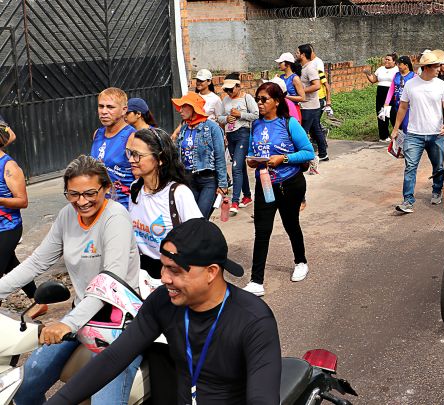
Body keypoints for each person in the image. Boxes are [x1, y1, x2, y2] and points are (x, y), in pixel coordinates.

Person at [48, 218, 282, 405]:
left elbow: (262, 398)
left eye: (175, 270)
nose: (164, 278)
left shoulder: (254, 320)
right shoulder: (164, 301)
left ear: (211, 272)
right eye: (163, 266)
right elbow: (113, 357)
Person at [0, 155, 141, 405]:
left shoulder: (115, 217)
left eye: (89, 193)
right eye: (73, 194)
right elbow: (36, 262)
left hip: (120, 324)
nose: (82, 201)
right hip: (81, 316)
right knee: (26, 383)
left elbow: (111, 283)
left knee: (105, 400)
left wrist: (69, 324)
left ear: (106, 188)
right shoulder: (67, 215)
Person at [243, 81, 315, 295]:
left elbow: (308, 152)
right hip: (264, 183)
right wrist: (252, 161)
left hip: (289, 184)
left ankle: (301, 261)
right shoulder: (255, 125)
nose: (260, 103)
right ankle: (257, 281)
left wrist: (283, 158)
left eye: (264, 99)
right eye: (257, 99)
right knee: (262, 231)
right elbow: (250, 151)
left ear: (276, 101)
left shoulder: (288, 123)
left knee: (290, 224)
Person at [128, 127, 203, 278]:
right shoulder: (135, 189)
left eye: (137, 155)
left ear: (160, 158)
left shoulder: (179, 194)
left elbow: (198, 238)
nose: (131, 160)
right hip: (140, 270)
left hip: (171, 272)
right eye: (130, 153)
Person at [391, 51, 444, 214]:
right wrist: (396, 128)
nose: (439, 69)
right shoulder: (411, 84)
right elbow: (403, 107)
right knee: (410, 167)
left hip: (436, 134)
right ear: (426, 68)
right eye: (436, 66)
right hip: (414, 134)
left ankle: (436, 190)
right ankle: (408, 201)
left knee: (438, 166)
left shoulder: (441, 85)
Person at [0, 126, 46, 319]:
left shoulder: (9, 167)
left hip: (7, 228)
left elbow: (22, 201)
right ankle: (39, 300)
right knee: (13, 266)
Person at [174, 92, 228, 219]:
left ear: (194, 108)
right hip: (188, 179)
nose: (180, 110)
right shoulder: (184, 129)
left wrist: (222, 184)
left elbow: (220, 156)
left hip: (208, 180)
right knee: (189, 218)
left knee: (200, 218)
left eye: (184, 106)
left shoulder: (212, 128)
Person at [218, 73, 257, 215]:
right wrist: (226, 118)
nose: (229, 92)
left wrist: (241, 115)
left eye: (231, 89)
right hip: (231, 135)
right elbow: (220, 118)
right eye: (226, 90)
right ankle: (247, 196)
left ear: (238, 86)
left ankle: (235, 201)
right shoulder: (225, 100)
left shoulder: (247, 98)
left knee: (235, 168)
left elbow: (256, 114)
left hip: (243, 134)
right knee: (240, 167)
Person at [91, 87, 136, 209]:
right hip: (98, 206)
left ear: (124, 110)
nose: (104, 111)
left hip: (124, 208)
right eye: (101, 106)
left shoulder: (132, 137)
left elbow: (142, 180)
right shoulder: (97, 134)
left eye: (110, 107)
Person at [296, 44, 329, 161]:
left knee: (302, 132)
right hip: (309, 104)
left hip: (309, 105)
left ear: (303, 55)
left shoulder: (310, 68)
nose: (296, 54)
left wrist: (301, 91)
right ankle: (323, 153)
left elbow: (317, 85)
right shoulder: (303, 67)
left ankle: (304, 156)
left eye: (297, 52)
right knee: (315, 129)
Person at [171, 69, 224, 140]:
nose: (198, 83)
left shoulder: (215, 99)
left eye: (201, 81)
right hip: (194, 134)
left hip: (209, 135)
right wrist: (175, 133)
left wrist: (222, 136)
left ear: (209, 82)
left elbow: (220, 119)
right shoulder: (193, 97)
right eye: (197, 80)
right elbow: (187, 119)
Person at [364, 53, 399, 142]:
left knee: (392, 114)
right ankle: (383, 136)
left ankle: (397, 135)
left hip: (391, 94)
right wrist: (368, 74)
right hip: (381, 94)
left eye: (389, 60)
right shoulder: (380, 69)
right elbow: (373, 80)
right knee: (381, 114)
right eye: (385, 59)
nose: (386, 61)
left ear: (394, 61)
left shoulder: (397, 70)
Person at [383, 55, 416, 133]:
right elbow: (391, 90)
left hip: (408, 107)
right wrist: (386, 102)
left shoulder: (413, 76)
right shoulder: (396, 75)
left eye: (400, 64)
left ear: (406, 65)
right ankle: (399, 144)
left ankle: (407, 143)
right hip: (397, 105)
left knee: (406, 126)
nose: (398, 66)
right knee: (397, 126)